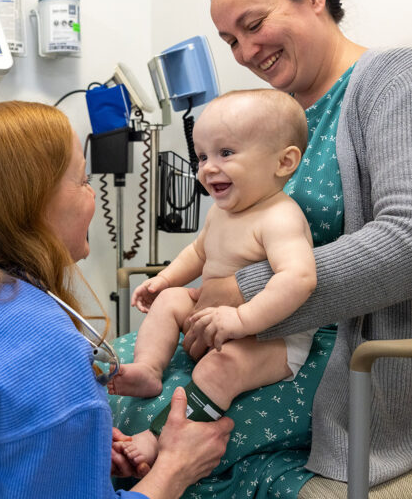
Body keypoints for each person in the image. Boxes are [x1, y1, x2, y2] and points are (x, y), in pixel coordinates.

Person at [0, 100, 233, 498]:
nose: (94, 198)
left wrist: (62, 448)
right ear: (32, 204)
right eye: (84, 181)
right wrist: (174, 469)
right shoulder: (46, 352)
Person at [178, 0, 412, 487]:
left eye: (254, 25)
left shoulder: (398, 78)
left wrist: (246, 291)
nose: (245, 51)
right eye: (231, 39)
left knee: (169, 427)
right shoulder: (280, 120)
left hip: (348, 364)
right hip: (266, 338)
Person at [108, 89, 317, 474]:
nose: (207, 167)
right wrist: (165, 279)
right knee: (172, 299)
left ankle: (158, 439)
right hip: (212, 316)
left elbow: (300, 278)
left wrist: (241, 321)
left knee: (219, 368)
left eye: (226, 153)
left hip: (271, 338)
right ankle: (149, 372)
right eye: (202, 156)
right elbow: (199, 253)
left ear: (284, 162)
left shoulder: (279, 217)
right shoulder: (223, 212)